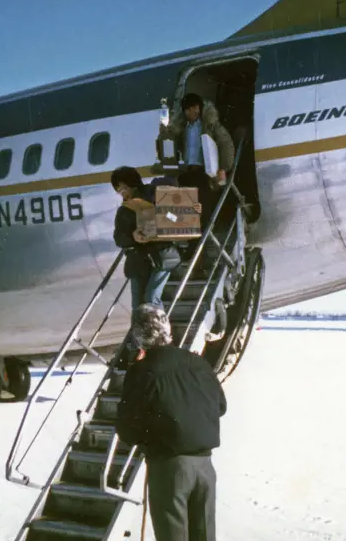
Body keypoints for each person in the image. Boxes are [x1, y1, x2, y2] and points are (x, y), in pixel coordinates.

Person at [116, 303, 227, 541]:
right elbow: (221, 406)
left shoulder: (143, 371)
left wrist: (149, 436)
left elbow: (127, 427)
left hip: (169, 469)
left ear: (139, 336)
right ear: (168, 332)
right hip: (205, 467)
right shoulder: (199, 364)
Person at [111, 167, 181, 325]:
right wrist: (133, 237)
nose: (122, 194)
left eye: (123, 189)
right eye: (119, 191)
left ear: (133, 184)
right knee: (138, 306)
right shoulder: (124, 210)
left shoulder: (157, 194)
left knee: (151, 299)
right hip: (138, 262)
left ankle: (160, 335)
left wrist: (161, 217)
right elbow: (118, 238)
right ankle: (140, 342)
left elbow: (176, 217)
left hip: (161, 256)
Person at [160, 92, 235, 231]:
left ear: (200, 108)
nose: (192, 111)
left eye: (195, 107)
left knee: (203, 206)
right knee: (187, 207)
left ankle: (203, 234)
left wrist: (223, 168)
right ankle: (190, 235)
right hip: (188, 171)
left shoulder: (211, 125)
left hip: (204, 172)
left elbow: (226, 144)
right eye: (188, 109)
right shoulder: (183, 129)